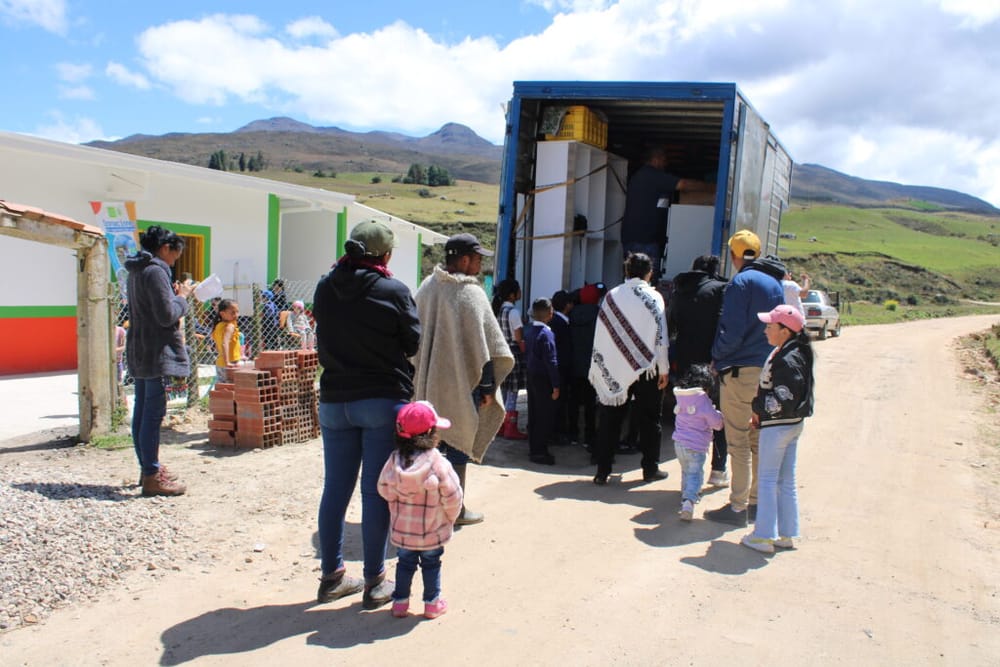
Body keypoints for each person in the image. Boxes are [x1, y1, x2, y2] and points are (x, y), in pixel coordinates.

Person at [312, 220, 421, 609]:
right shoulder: (393, 289)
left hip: (335, 400)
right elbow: (412, 341)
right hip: (380, 399)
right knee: (376, 493)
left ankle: (332, 578)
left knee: (335, 489)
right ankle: (375, 583)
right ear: (385, 254)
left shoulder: (326, 285)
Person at [412, 233, 513, 526]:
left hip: (429, 383)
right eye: (478, 259)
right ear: (465, 260)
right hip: (463, 384)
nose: (481, 265)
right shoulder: (472, 293)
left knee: (427, 444)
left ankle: (425, 507)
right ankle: (455, 510)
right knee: (457, 444)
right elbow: (488, 349)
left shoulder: (426, 289)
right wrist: (487, 388)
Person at [705, 230, 787, 526]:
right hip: (764, 369)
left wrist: (716, 356)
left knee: (737, 440)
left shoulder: (741, 282)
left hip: (739, 371)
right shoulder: (774, 283)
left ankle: (737, 507)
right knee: (755, 439)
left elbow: (732, 330)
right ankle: (754, 503)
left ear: (734, 255)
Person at [589, 253, 670, 485]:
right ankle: (650, 469)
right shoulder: (654, 297)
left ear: (626, 271)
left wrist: (601, 366)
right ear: (649, 273)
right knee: (649, 420)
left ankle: (602, 471)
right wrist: (663, 369)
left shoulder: (611, 297)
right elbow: (661, 337)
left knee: (609, 419)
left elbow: (602, 335)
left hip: (615, 367)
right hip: (647, 369)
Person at [124, 225, 193, 497]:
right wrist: (182, 298)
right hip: (155, 350)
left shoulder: (137, 270)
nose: (175, 260)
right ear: (165, 248)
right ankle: (152, 475)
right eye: (175, 254)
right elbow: (166, 314)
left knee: (142, 411)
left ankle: (147, 468)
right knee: (152, 414)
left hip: (140, 347)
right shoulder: (155, 271)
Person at [378, 400, 462, 620]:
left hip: (404, 532)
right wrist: (449, 518)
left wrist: (398, 502)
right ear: (431, 432)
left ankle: (400, 603)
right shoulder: (438, 463)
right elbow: (454, 496)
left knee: (405, 564)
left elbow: (383, 489)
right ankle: (432, 604)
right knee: (431, 564)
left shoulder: (394, 461)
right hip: (432, 531)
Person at [740, 304, 815, 553]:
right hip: (790, 425)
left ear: (785, 330)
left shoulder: (787, 358)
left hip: (778, 426)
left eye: (770, 326)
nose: (765, 330)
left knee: (769, 479)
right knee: (785, 479)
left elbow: (782, 399)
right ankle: (785, 533)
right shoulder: (793, 351)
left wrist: (758, 409)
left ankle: (763, 536)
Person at [668, 254, 729, 487]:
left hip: (685, 365)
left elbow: (671, 325)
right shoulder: (720, 290)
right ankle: (718, 470)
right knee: (718, 416)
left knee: (688, 416)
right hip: (712, 365)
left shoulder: (679, 290)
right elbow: (725, 327)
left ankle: (690, 471)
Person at [621, 146, 710, 276]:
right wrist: (714, 187)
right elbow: (683, 184)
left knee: (634, 277)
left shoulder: (641, 176)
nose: (666, 163)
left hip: (638, 238)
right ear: (655, 159)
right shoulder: (651, 175)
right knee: (647, 277)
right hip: (643, 240)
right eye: (664, 159)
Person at [672, 364, 724, 521]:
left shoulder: (681, 396)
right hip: (697, 446)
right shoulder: (703, 400)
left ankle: (685, 494)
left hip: (679, 443)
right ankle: (689, 502)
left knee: (686, 471)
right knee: (696, 475)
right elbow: (715, 422)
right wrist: (720, 417)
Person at [523, 298, 560, 465]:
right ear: (550, 313)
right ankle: (540, 451)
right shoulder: (547, 334)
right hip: (544, 379)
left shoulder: (530, 331)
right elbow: (551, 361)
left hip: (531, 375)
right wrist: (556, 385)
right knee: (544, 415)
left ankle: (533, 449)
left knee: (534, 413)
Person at [568, 283, 604, 452]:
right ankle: (590, 436)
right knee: (590, 404)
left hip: (574, 364)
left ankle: (573, 434)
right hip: (591, 366)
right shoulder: (599, 315)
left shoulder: (572, 314)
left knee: (573, 401)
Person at [491, 279, 528, 440]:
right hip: (514, 352)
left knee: (504, 390)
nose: (520, 292)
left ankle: (500, 426)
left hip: (500, 352)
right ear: (512, 295)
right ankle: (510, 427)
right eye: (518, 290)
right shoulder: (514, 312)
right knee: (513, 391)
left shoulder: (498, 310)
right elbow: (519, 337)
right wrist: (525, 351)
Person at [549, 289, 575, 444]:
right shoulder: (561, 323)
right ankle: (556, 433)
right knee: (559, 402)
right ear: (567, 305)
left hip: (558, 369)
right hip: (561, 370)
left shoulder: (555, 321)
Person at [211, 299, 241, 384]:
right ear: (222, 314)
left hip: (220, 362)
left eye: (237, 312)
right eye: (232, 313)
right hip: (231, 362)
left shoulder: (218, 326)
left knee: (222, 388)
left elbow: (218, 345)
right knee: (231, 388)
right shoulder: (230, 326)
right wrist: (227, 362)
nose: (236, 315)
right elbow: (225, 343)